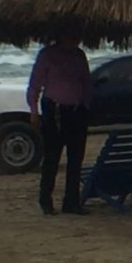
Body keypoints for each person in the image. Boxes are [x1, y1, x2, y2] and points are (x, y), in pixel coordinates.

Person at [27, 34, 93, 216]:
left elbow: (86, 81)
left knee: (76, 158)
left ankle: (71, 202)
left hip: (77, 109)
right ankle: (46, 201)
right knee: (52, 157)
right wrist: (33, 109)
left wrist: (87, 104)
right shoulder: (47, 55)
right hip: (55, 109)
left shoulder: (79, 55)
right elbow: (35, 83)